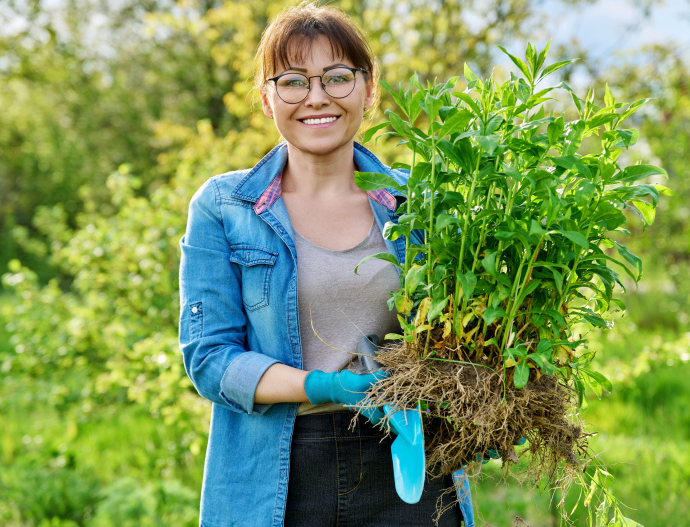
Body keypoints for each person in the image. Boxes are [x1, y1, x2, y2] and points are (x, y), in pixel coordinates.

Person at [178, 3, 475, 526]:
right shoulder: (225, 207)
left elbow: (464, 330)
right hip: (281, 471)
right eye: (292, 81)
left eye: (338, 78)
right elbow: (209, 359)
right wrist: (319, 385)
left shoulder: (420, 204)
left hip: (409, 461)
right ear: (268, 100)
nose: (317, 97)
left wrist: (492, 396)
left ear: (368, 88)